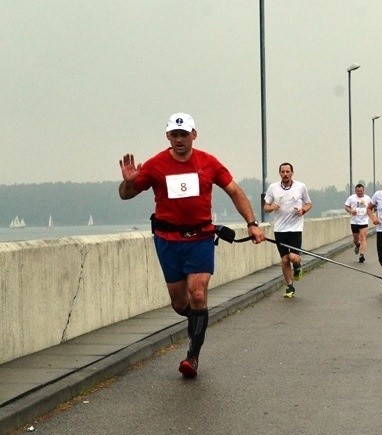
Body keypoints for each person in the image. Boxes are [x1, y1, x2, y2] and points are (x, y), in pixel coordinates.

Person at [118, 112, 265, 379]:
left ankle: (192, 356)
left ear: (194, 135)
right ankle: (198, 321)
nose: (179, 140)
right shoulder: (155, 165)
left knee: (198, 294)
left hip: (200, 238)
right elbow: (126, 196)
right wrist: (128, 183)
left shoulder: (208, 163)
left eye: (184, 134)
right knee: (179, 302)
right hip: (168, 240)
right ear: (168, 137)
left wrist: (252, 223)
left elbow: (234, 190)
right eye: (174, 135)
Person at [263, 162, 313, 299]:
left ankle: (297, 266)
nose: (285, 174)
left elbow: (309, 204)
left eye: (287, 172)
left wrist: (303, 210)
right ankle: (289, 286)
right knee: (284, 260)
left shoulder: (300, 187)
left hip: (295, 228)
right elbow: (265, 207)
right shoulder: (273, 188)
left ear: (292, 173)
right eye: (283, 172)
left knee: (293, 257)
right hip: (280, 229)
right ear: (280, 173)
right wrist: (272, 207)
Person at [344, 183, 371, 263]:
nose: (359, 192)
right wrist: (351, 211)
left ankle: (362, 255)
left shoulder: (368, 198)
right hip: (354, 221)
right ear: (355, 191)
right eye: (358, 191)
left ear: (364, 190)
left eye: (361, 191)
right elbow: (346, 207)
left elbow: (371, 207)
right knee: (356, 240)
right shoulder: (351, 198)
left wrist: (370, 212)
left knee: (363, 237)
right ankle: (357, 245)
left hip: (364, 221)